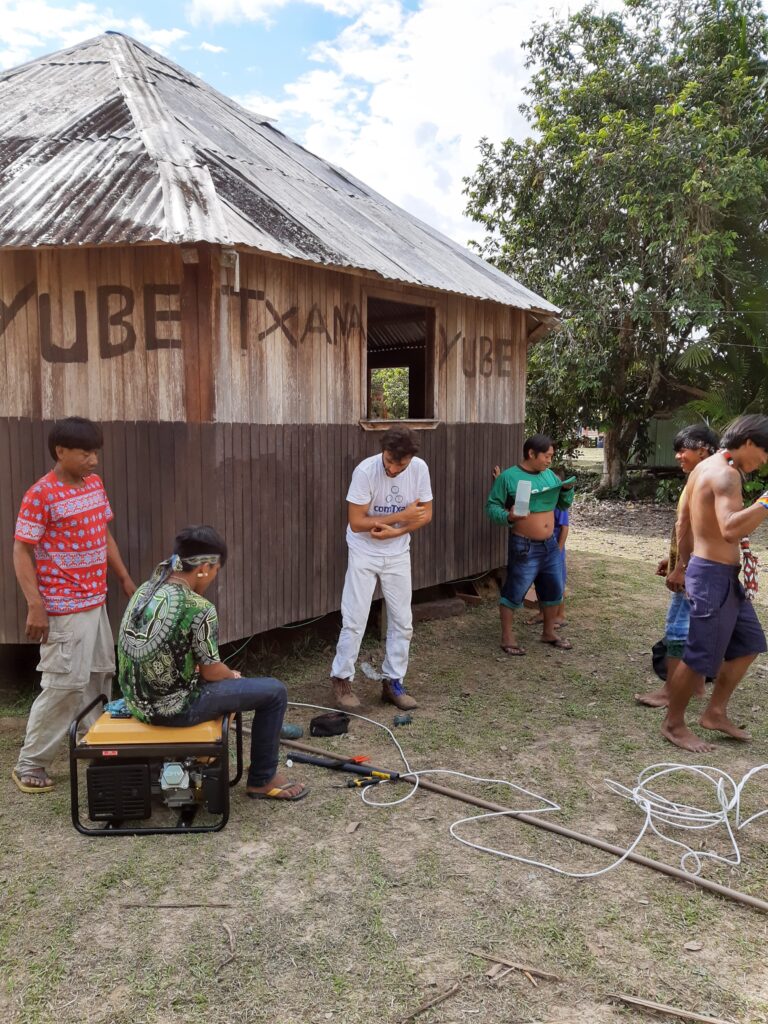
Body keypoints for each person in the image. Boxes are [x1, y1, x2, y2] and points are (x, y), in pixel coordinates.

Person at [118, 525, 308, 801]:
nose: (213, 578)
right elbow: (210, 672)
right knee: (274, 692)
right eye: (216, 571)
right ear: (204, 568)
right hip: (172, 708)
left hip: (135, 701)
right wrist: (231, 675)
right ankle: (262, 779)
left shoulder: (146, 590)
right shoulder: (199, 607)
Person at [11, 416, 136, 794]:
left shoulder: (94, 485)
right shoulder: (41, 494)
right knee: (65, 684)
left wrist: (124, 578)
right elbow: (21, 550)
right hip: (63, 607)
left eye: (95, 452)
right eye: (86, 453)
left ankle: (97, 741)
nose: (93, 460)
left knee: (100, 673)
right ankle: (30, 763)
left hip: (95, 601)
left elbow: (104, 534)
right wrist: (36, 605)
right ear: (61, 451)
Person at [661, 414, 768, 752]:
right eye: (764, 453)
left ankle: (715, 712)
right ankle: (674, 725)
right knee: (699, 656)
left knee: (750, 642)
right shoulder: (726, 474)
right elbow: (731, 529)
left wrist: (681, 566)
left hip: (716, 575)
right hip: (712, 575)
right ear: (749, 443)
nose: (764, 462)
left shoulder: (703, 468)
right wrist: (766, 501)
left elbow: (684, 520)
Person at [329, 426, 433, 711]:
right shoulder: (365, 471)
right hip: (363, 550)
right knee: (355, 616)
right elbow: (357, 522)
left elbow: (426, 515)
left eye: (399, 463)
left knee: (403, 620)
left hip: (397, 551)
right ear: (383, 450)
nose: (392, 467)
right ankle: (341, 679)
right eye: (388, 459)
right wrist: (401, 517)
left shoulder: (419, 469)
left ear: (411, 458)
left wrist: (394, 532)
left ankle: (393, 681)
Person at [635, 424, 720, 708]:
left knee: (677, 629)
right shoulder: (710, 477)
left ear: (702, 450)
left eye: (683, 451)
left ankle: (672, 691)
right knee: (695, 628)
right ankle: (696, 687)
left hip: (697, 570)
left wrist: (682, 567)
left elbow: (699, 530)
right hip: (701, 568)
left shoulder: (707, 481)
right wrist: (671, 559)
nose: (678, 457)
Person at [486, 434, 574, 655]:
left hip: (550, 545)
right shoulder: (508, 477)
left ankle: (549, 632)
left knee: (554, 588)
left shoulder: (551, 477)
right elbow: (491, 507)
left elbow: (563, 505)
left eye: (551, 457)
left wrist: (566, 491)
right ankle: (507, 637)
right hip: (524, 545)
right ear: (531, 454)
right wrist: (509, 515)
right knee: (515, 589)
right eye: (546, 456)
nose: (549, 461)